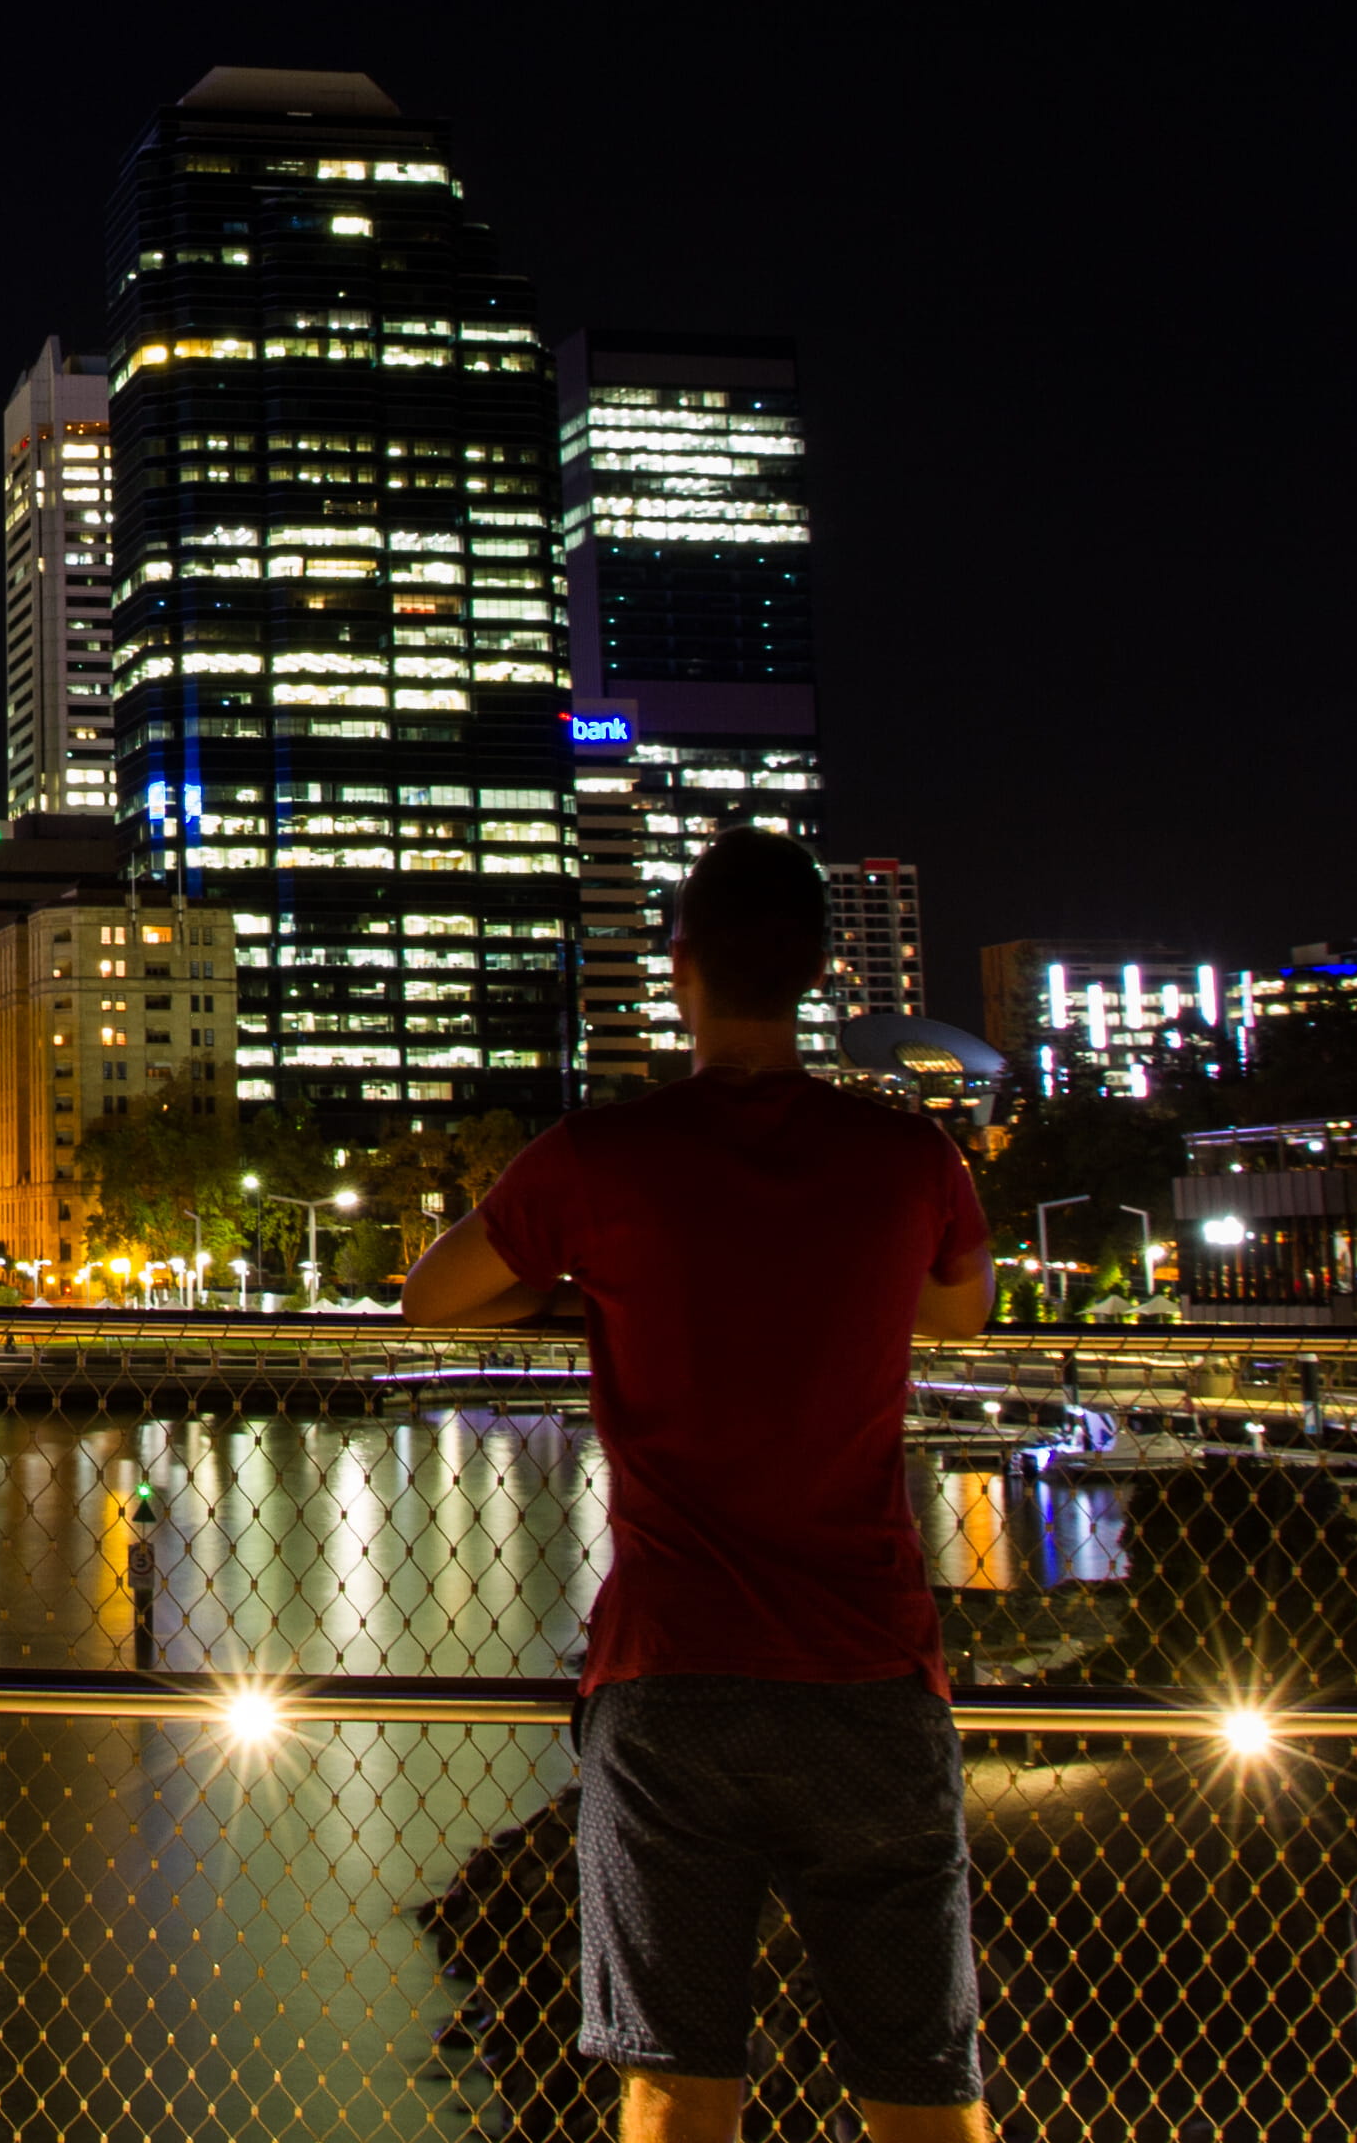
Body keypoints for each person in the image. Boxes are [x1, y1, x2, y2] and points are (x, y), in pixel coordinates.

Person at [403, 826, 994, 2143]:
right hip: (870, 1672)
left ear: (681, 973)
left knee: (673, 2081)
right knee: (922, 2090)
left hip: (671, 1675)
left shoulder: (605, 1158)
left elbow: (430, 1294)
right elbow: (961, 1316)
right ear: (822, 975)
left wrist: (581, 1286)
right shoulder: (908, 1159)